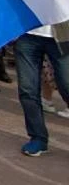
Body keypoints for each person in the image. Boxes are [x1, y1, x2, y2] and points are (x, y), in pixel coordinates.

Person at [14, 24, 69, 156]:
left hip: (62, 32)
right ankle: (38, 138)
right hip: (27, 32)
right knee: (27, 89)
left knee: (66, 84)